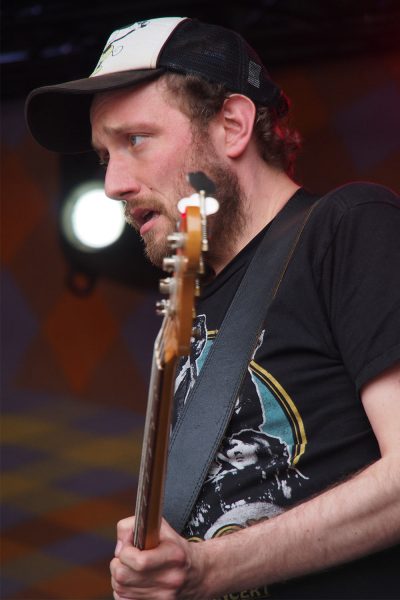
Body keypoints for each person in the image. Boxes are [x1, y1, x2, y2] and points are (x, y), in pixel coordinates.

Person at [25, 16, 400, 600]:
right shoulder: (188, 314)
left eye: (136, 140)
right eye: (103, 155)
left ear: (232, 125)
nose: (113, 183)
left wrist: (211, 568)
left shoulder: (349, 228)